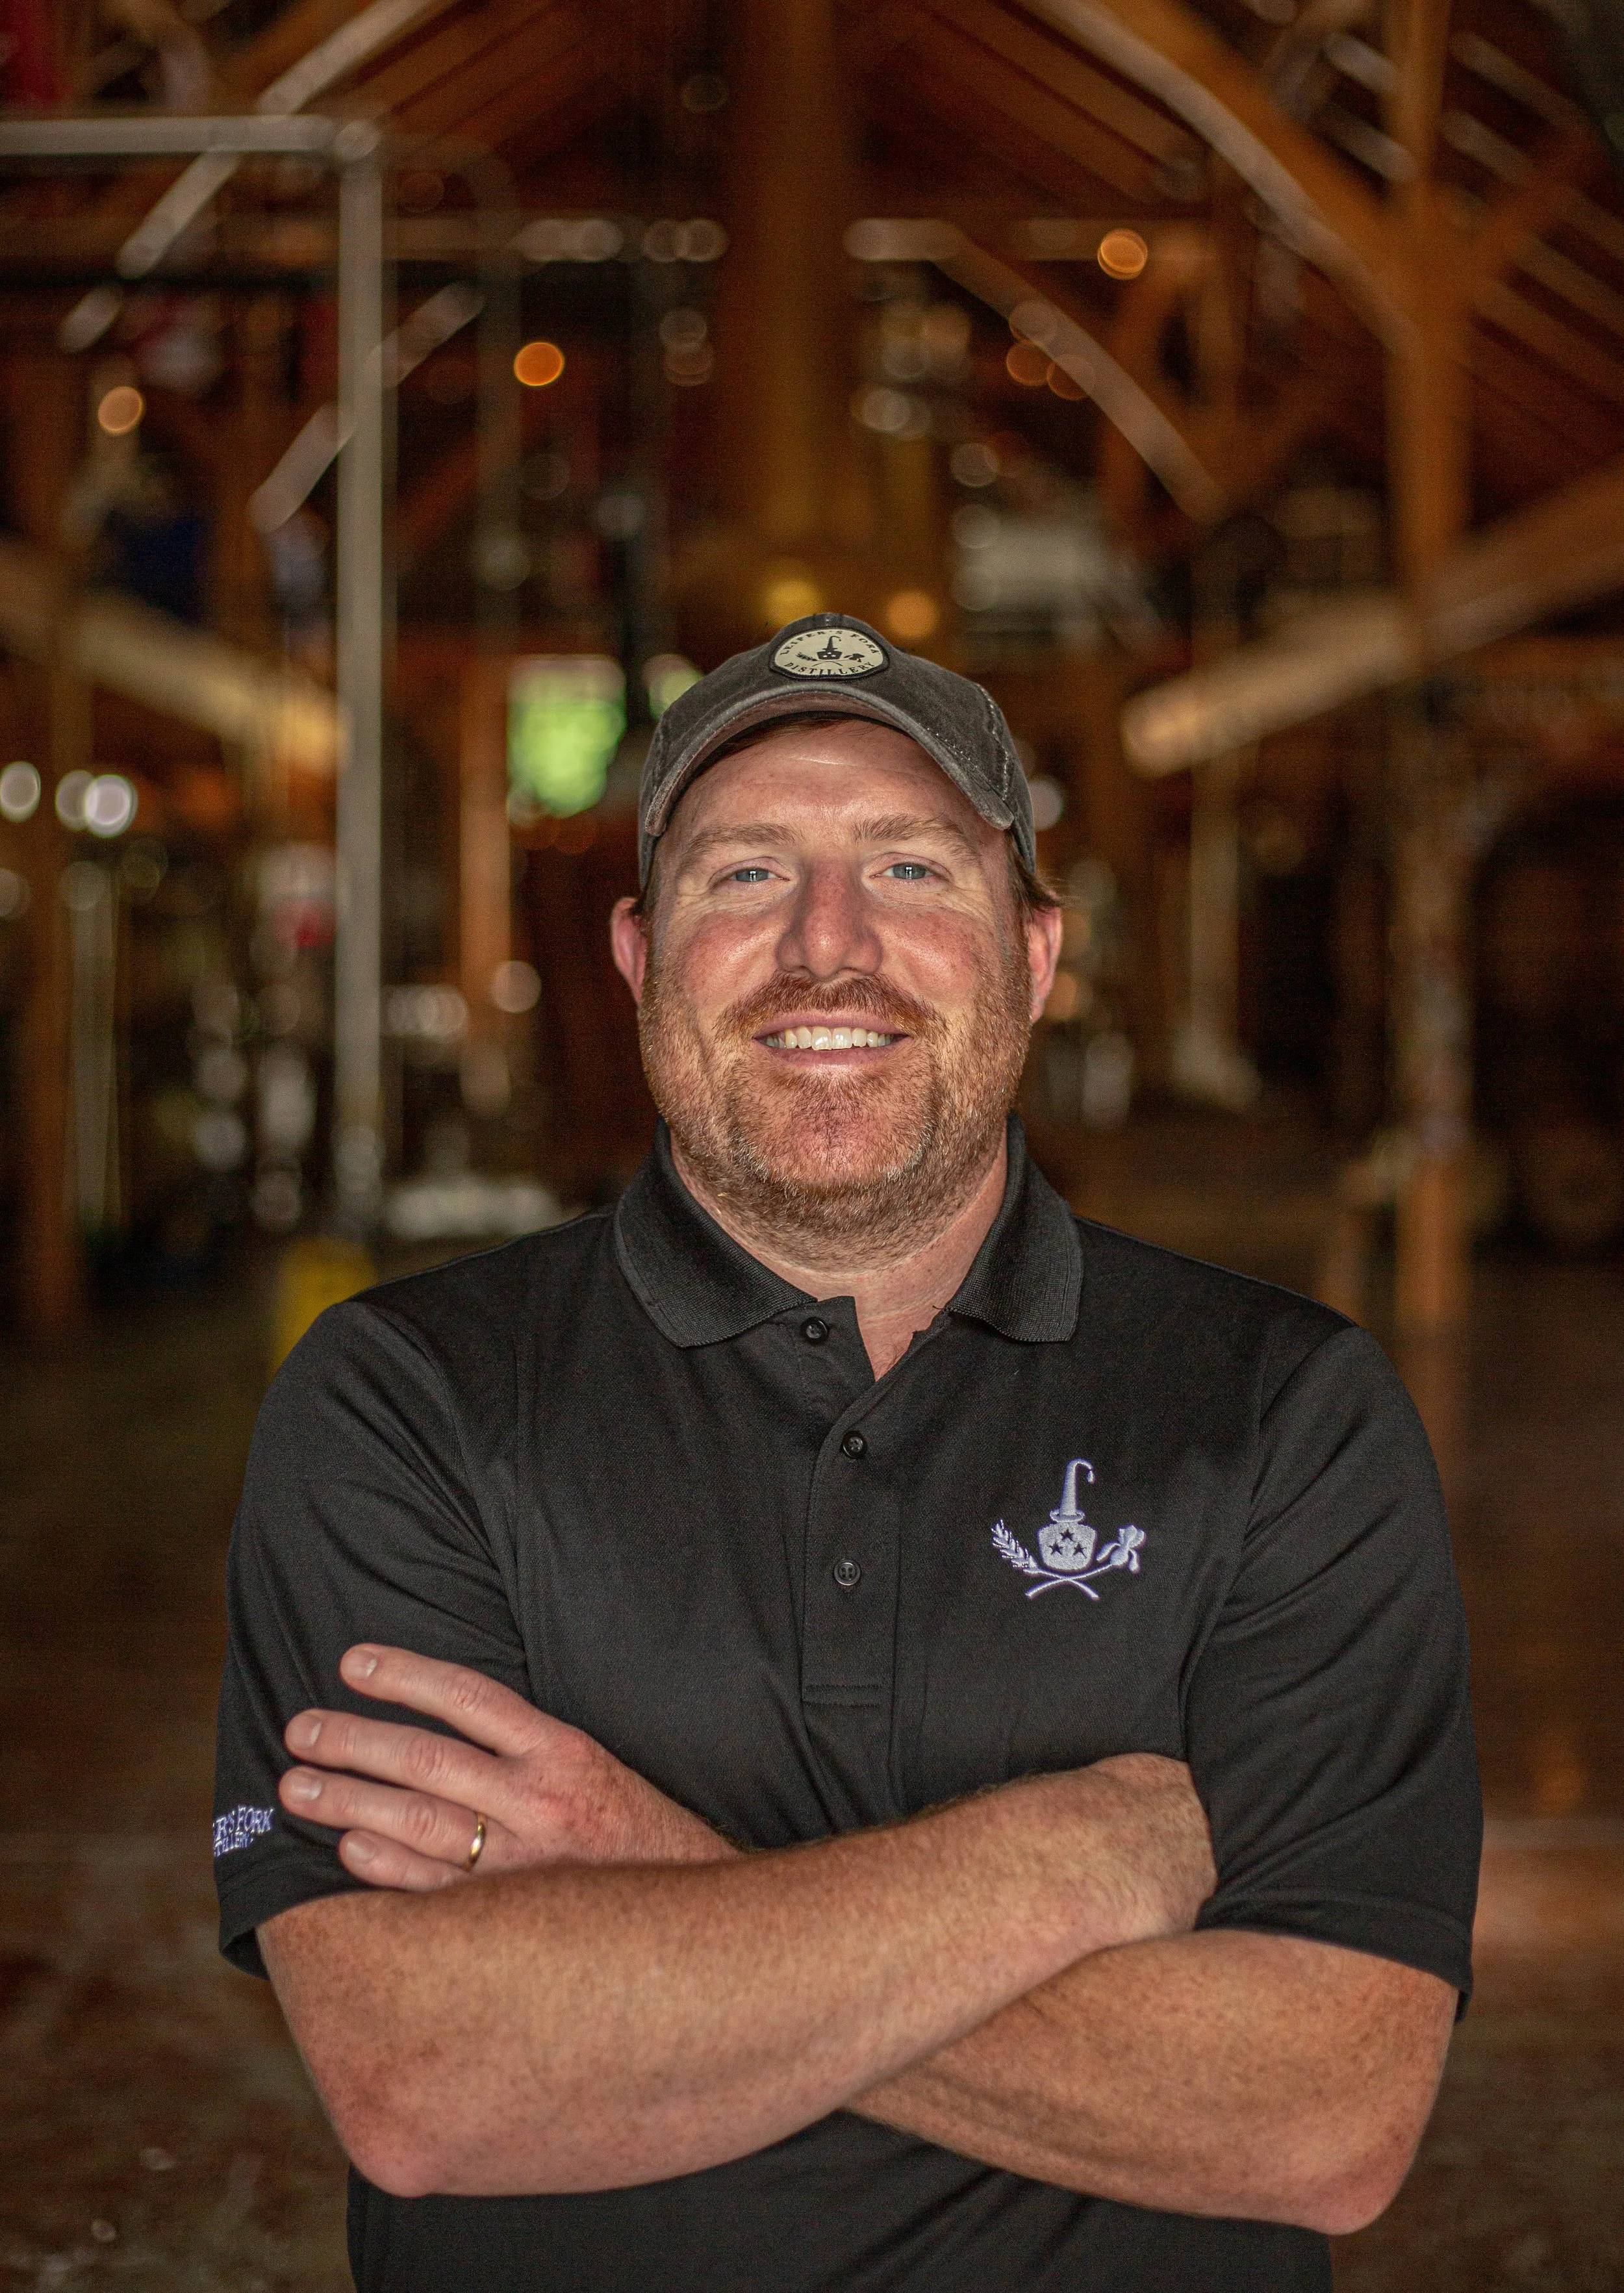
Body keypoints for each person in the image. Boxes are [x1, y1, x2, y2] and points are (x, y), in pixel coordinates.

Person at [214, 613, 1480, 2293]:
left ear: (1033, 957)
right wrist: (1079, 1856)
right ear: (636, 956)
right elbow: (430, 2081)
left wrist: (635, 1866)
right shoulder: (405, 1403)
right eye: (743, 877)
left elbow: (1320, 2118)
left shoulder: (1281, 1415)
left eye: (909, 872)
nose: (828, 950)